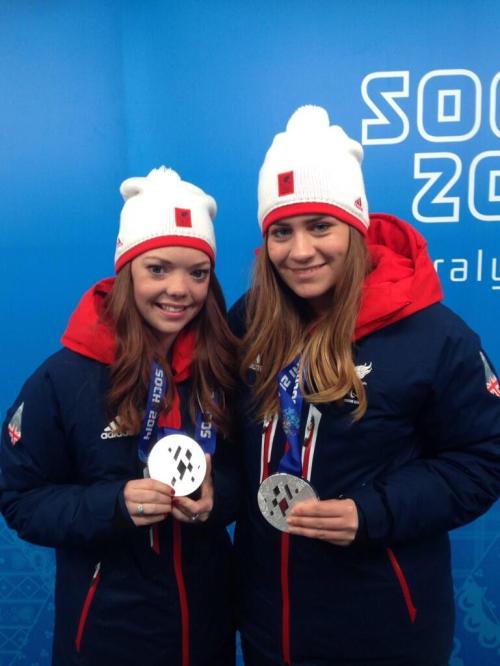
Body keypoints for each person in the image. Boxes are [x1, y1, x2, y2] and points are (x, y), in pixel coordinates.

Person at [230, 105, 500, 666]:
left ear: (354, 225)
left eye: (319, 226)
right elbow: (232, 442)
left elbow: (486, 458)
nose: (299, 251)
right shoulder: (249, 320)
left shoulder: (433, 334)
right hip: (266, 625)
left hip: (383, 631)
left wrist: (372, 512)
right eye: (281, 231)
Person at [0, 166, 238, 666]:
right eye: (158, 268)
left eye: (197, 272)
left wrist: (219, 498)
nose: (179, 289)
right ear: (125, 269)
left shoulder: (223, 367)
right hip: (107, 634)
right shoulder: (64, 378)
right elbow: (21, 500)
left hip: (207, 629)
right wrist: (115, 505)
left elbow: (250, 472)